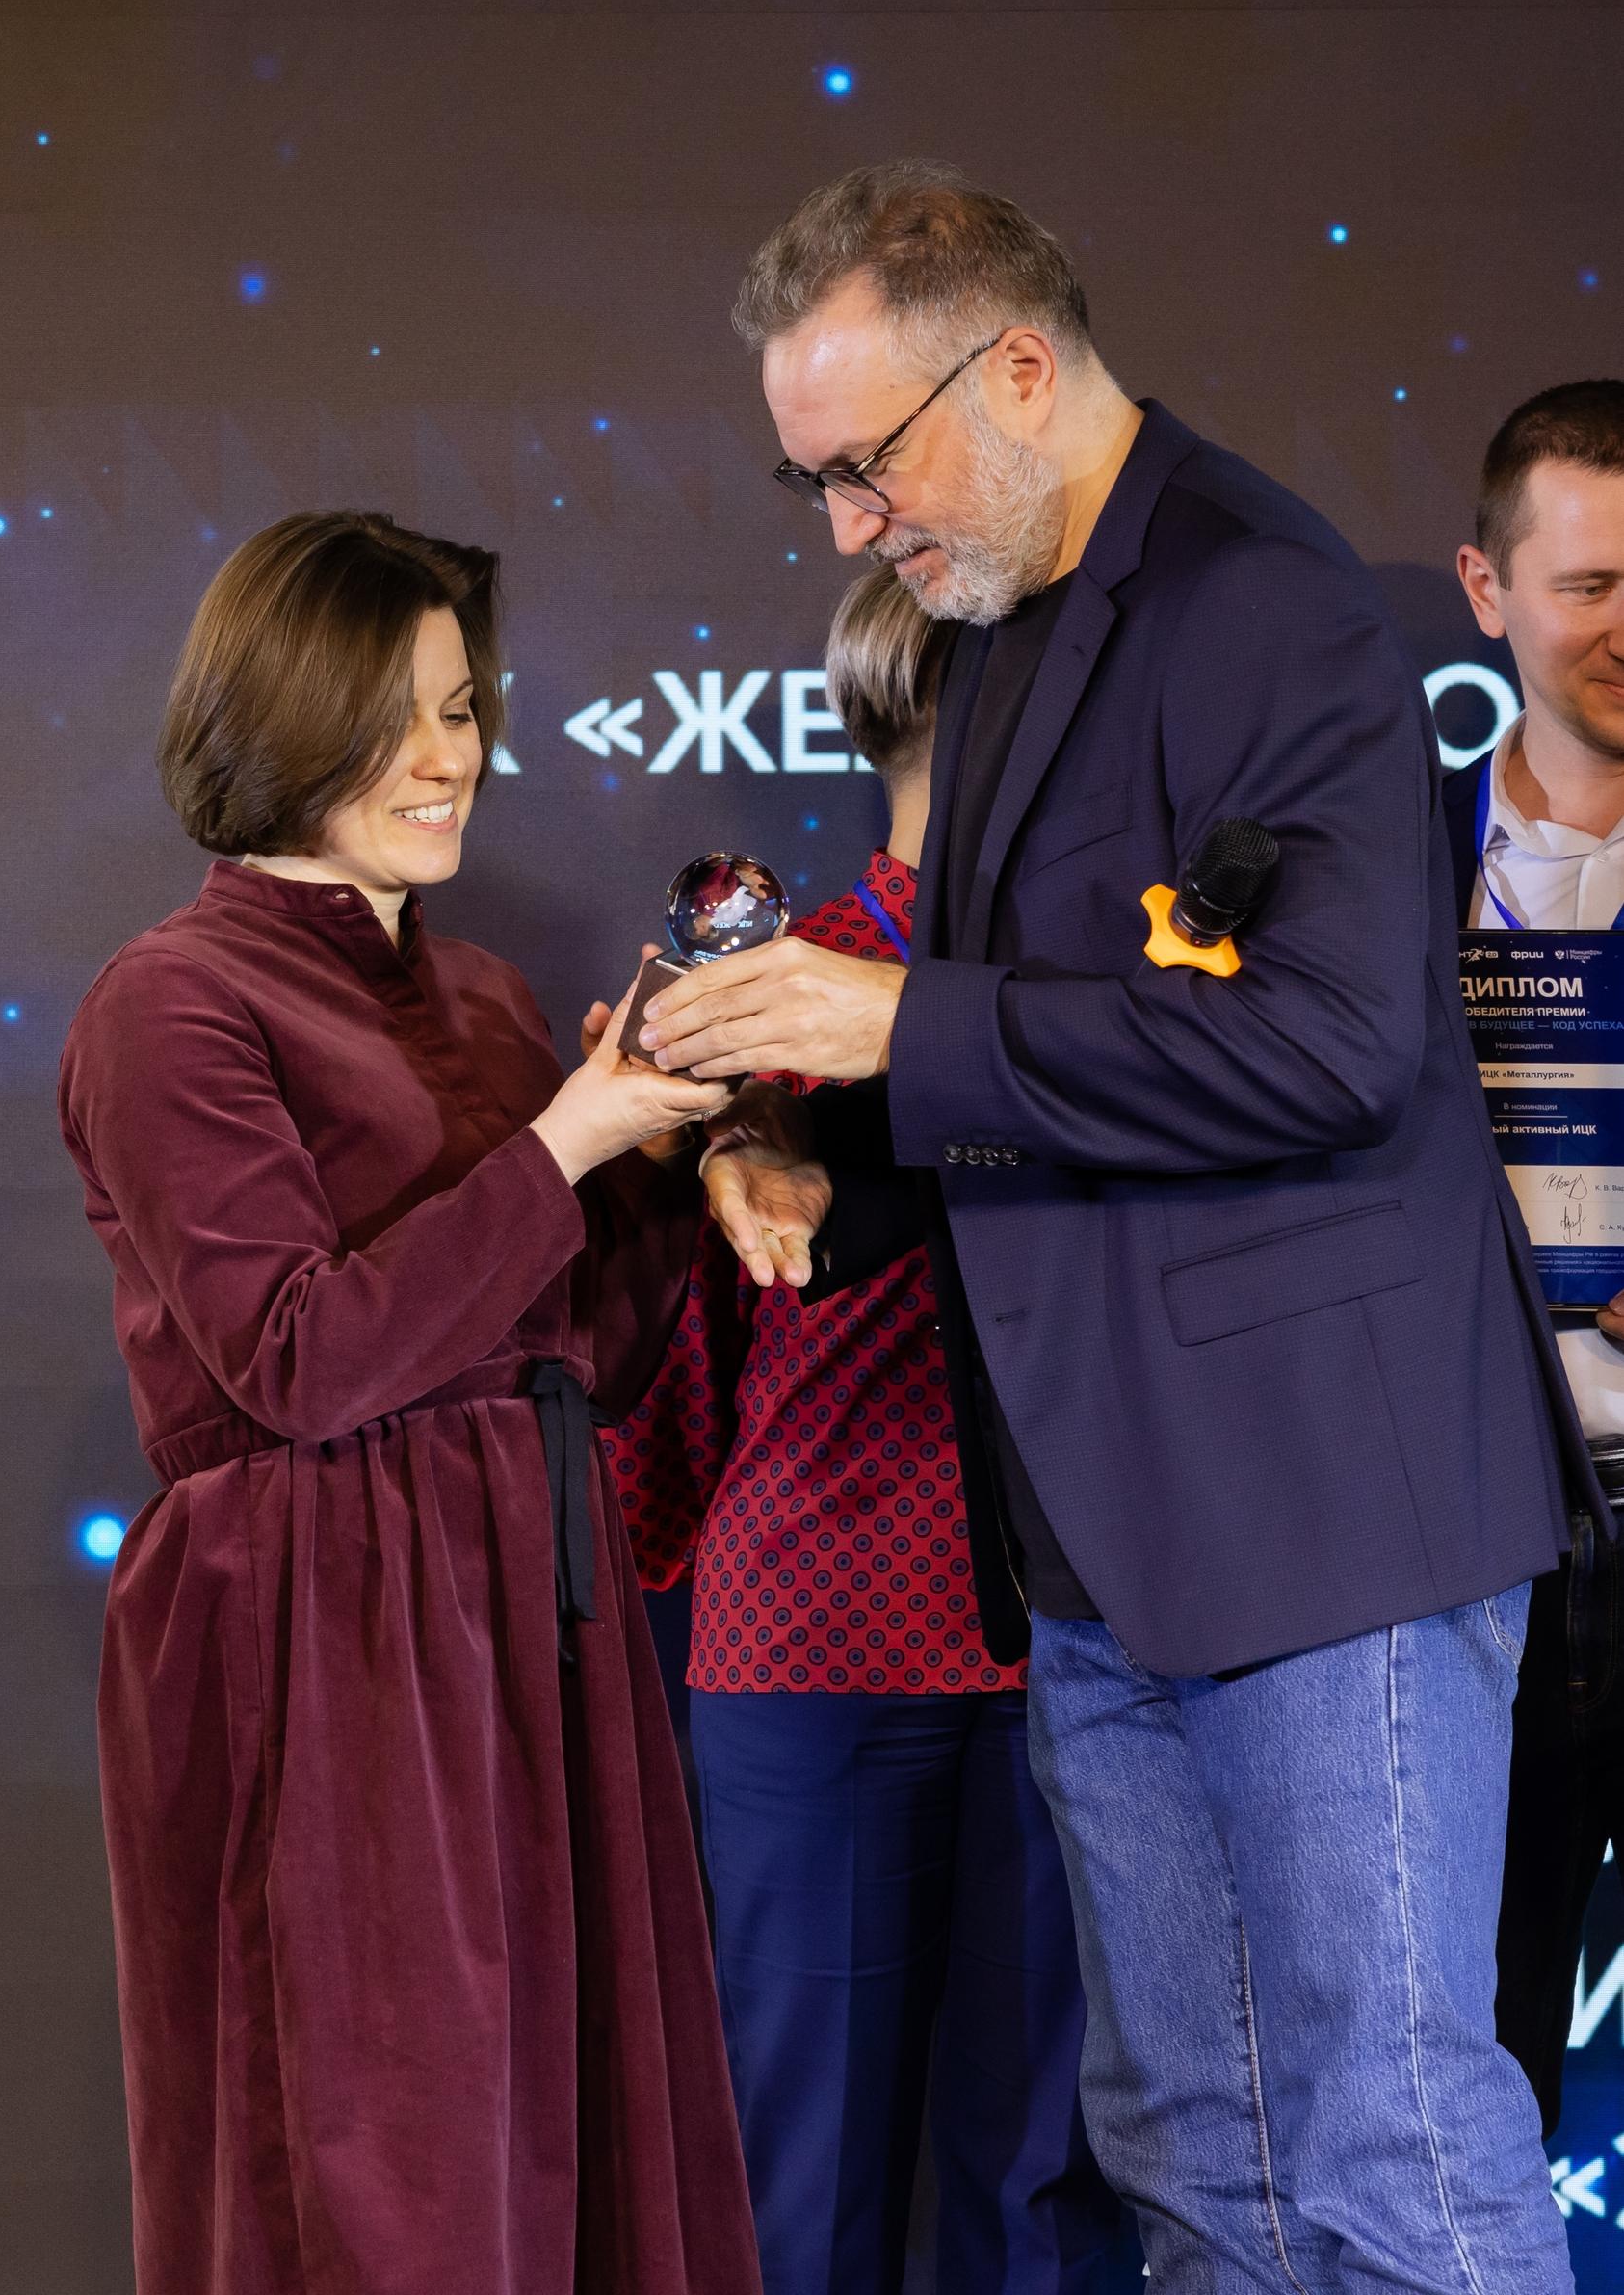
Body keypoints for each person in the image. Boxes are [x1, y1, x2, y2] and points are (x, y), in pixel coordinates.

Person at [638, 162, 1600, 2289]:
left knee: (1384, 2144)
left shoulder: (1260, 598)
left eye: (865, 467)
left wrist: (902, 1021)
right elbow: (1049, 1063)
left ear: (1013, 369)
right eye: (811, 481)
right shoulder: (1002, 630)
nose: (846, 530)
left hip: (1325, 1526)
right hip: (1100, 1546)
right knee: (1190, 2160)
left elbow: (1334, 1045)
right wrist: (832, 1177)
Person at [56, 512, 759, 2295]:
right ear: (278, 721)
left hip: (538, 1618)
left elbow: (587, 1353)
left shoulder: (487, 994)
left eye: (458, 710)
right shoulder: (170, 1002)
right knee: (383, 2170)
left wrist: (660, 1162)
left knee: (568, 2153)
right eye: (393, 719)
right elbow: (296, 1356)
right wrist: (566, 1142)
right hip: (321, 1635)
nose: (447, 759)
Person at [609, 562, 1138, 2295]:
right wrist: (698, 1152)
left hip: (1072, 1639)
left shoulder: (1116, 1004)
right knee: (810, 2176)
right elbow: (663, 1355)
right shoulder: (764, 992)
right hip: (830, 1639)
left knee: (1045, 2174)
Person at [1448, 380, 1624, 2134]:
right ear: (1487, 592)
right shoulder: (1384, 863)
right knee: (1473, 2078)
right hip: (1471, 1554)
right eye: (1589, 586)